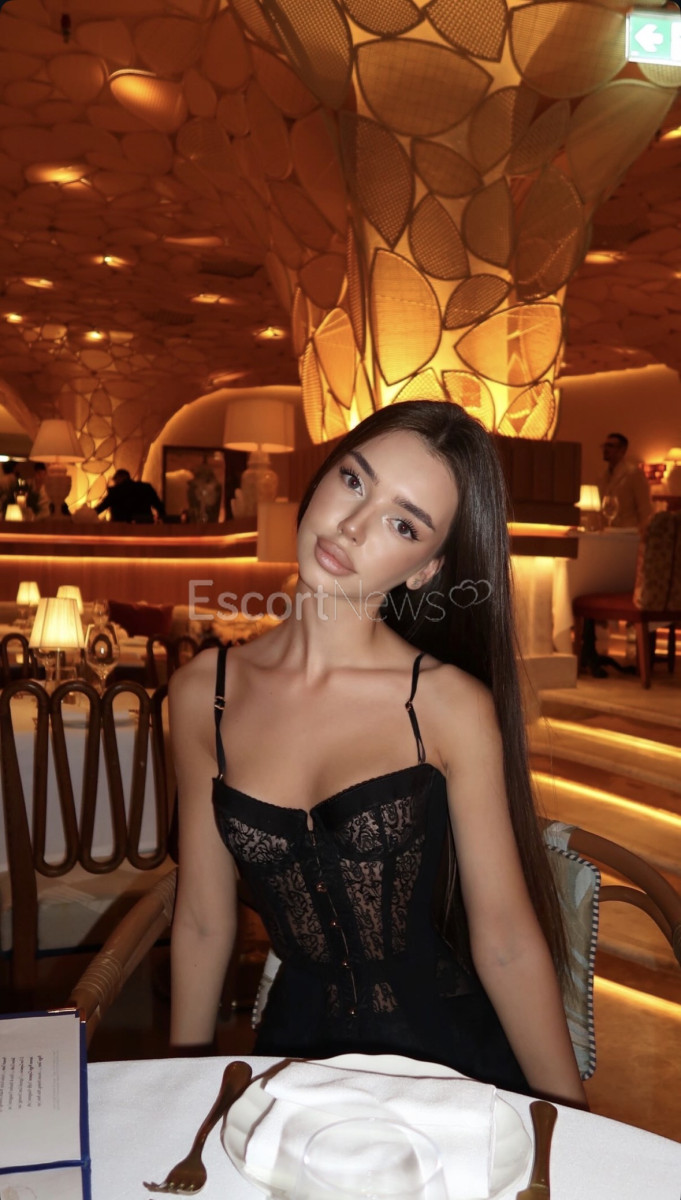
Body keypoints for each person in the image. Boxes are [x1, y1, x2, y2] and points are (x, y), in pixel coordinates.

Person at [169, 400, 586, 1106]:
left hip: (447, 1070)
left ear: (425, 569)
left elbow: (506, 940)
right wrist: (182, 1089)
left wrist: (570, 1122)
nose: (353, 526)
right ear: (321, 478)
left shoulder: (447, 705)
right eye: (354, 481)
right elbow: (204, 922)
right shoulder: (199, 693)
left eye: (403, 524)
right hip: (291, 1067)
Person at [598, 432, 652, 530]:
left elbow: (645, 509)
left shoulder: (634, 473)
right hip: (608, 530)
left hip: (628, 531)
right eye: (604, 446)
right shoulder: (603, 476)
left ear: (622, 450)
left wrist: (643, 532)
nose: (606, 449)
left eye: (610, 446)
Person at [95, 468, 165, 523]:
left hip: (121, 527)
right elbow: (158, 504)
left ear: (120, 477)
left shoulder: (116, 491)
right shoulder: (145, 487)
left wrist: (90, 515)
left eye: (115, 479)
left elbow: (102, 507)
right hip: (144, 524)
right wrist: (164, 520)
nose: (115, 482)